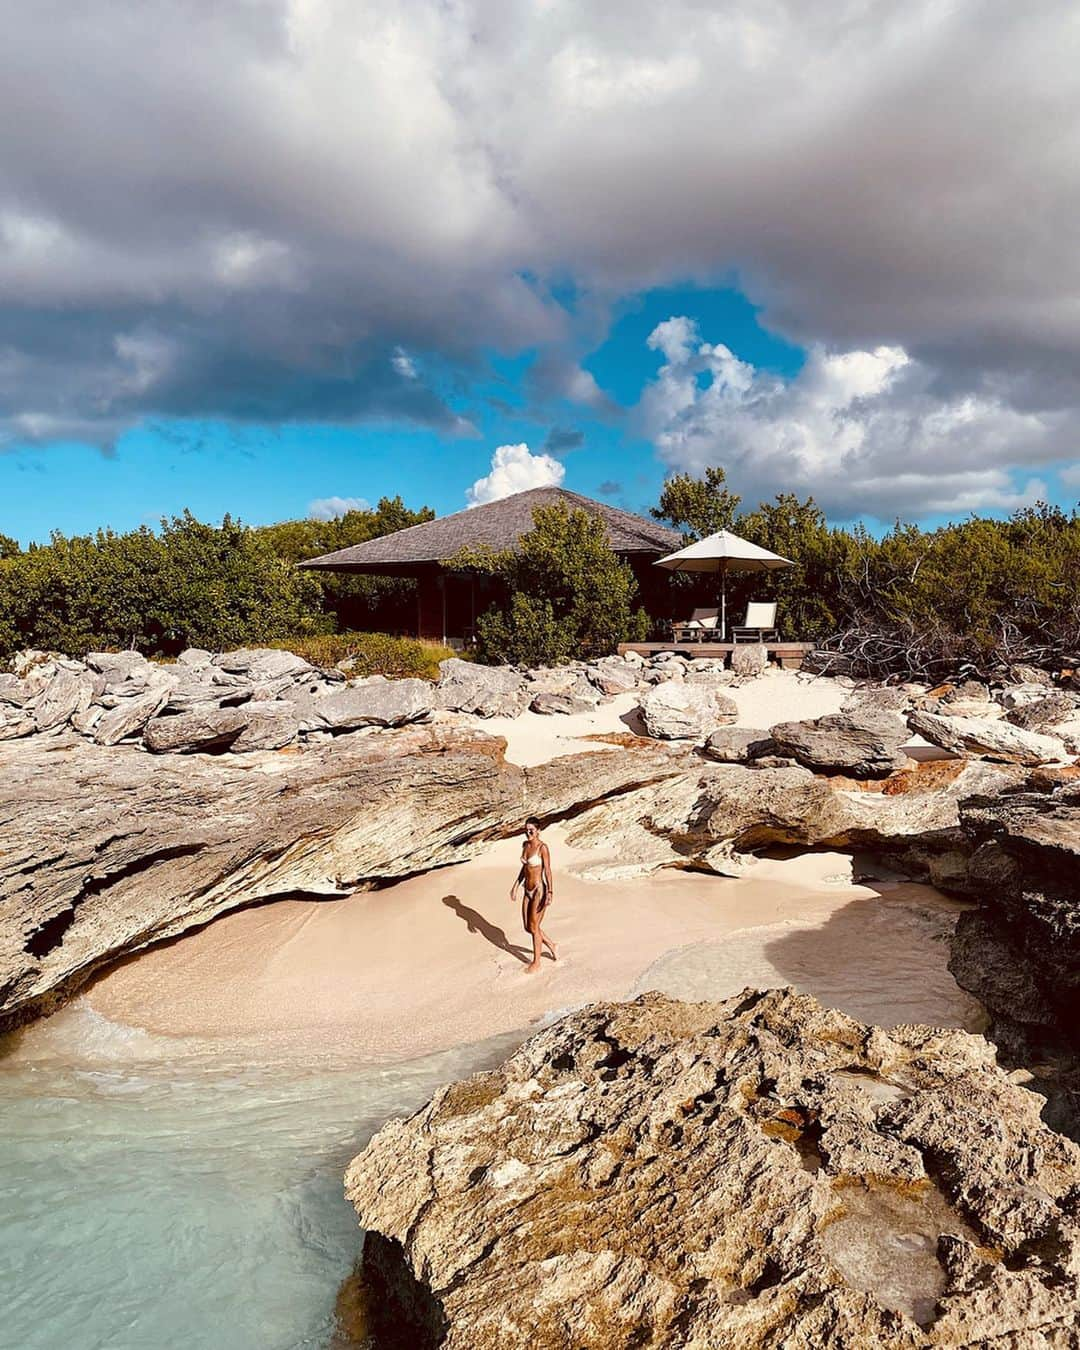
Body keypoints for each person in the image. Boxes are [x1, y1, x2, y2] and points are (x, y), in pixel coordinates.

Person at [510, 816, 557, 973]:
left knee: (534, 927)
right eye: (526, 829)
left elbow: (548, 871)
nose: (528, 832)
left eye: (531, 830)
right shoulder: (526, 845)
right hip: (527, 889)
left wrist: (550, 891)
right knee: (527, 927)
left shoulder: (542, 848)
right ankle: (551, 944)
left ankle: (536, 962)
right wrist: (515, 886)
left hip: (539, 890)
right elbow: (525, 869)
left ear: (538, 831)